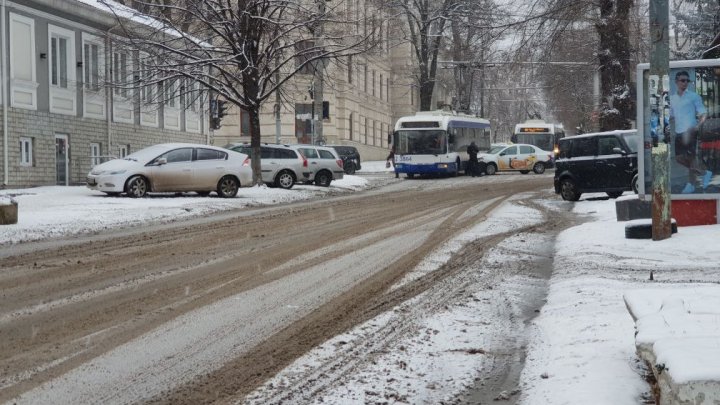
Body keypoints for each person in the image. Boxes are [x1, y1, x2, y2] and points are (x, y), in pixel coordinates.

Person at [670, 70, 711, 193]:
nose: (685, 83)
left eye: (687, 81)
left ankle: (690, 185)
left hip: (691, 131)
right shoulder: (672, 99)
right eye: (682, 80)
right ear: (676, 82)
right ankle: (704, 173)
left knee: (691, 158)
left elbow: (703, 113)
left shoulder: (694, 96)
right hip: (679, 132)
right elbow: (671, 115)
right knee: (679, 158)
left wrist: (698, 125)